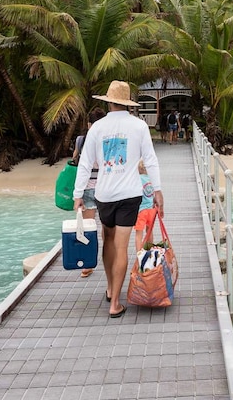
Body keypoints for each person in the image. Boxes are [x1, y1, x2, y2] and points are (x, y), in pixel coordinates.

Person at [73, 80, 164, 318]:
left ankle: (111, 287)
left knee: (108, 241)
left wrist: (77, 194)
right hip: (130, 194)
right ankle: (115, 303)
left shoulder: (97, 128)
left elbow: (84, 162)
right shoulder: (139, 126)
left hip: (104, 194)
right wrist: (158, 189)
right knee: (122, 247)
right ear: (127, 103)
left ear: (109, 101)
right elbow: (151, 159)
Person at [71, 107, 106, 278]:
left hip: (87, 187)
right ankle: (108, 259)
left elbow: (75, 160)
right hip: (106, 188)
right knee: (107, 228)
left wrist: (77, 194)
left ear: (88, 123)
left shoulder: (81, 140)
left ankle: (87, 265)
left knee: (88, 228)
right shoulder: (107, 139)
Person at [133, 161, 157, 252]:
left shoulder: (138, 179)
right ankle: (150, 250)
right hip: (151, 209)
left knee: (139, 234)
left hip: (141, 210)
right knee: (149, 231)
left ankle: (139, 254)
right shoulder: (152, 179)